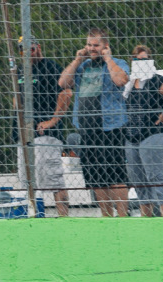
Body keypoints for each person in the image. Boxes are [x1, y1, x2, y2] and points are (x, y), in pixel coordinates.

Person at [59, 28, 131, 216]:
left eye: (96, 45)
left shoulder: (118, 63)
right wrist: (77, 60)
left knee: (115, 175)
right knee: (95, 176)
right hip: (86, 126)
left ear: (105, 46)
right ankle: (107, 216)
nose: (91, 48)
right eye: (89, 45)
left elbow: (121, 80)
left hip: (110, 125)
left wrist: (108, 59)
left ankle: (123, 217)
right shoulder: (83, 66)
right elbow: (63, 83)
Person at [122, 45, 163, 217]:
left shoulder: (156, 79)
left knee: (157, 178)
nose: (141, 63)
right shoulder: (129, 83)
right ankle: (146, 219)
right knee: (139, 181)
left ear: (151, 61)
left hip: (154, 133)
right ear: (132, 61)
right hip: (132, 135)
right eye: (138, 59)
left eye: (145, 59)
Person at [14, 35, 73, 217]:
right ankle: (33, 215)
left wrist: (53, 120)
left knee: (52, 178)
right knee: (27, 180)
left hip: (45, 133)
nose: (28, 53)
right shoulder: (20, 71)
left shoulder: (51, 67)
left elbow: (66, 93)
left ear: (38, 47)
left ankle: (63, 217)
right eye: (23, 50)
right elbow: (17, 98)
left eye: (31, 49)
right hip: (24, 134)